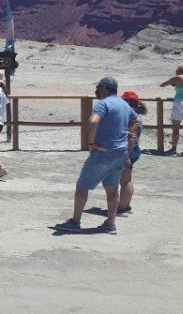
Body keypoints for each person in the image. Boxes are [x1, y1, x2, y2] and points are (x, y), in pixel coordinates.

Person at [56, 77, 137, 234]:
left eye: (99, 88)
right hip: (120, 152)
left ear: (105, 88)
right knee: (112, 189)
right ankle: (110, 223)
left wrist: (91, 144)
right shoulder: (123, 104)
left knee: (82, 186)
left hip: (103, 152)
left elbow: (93, 122)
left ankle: (75, 221)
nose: (97, 91)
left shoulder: (103, 104)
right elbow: (136, 120)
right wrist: (130, 136)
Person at [117, 91, 147, 215]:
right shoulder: (136, 116)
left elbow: (130, 138)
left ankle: (122, 207)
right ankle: (126, 205)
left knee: (123, 181)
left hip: (127, 151)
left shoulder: (130, 117)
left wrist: (125, 155)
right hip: (134, 150)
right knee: (127, 180)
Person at [160, 66, 183, 156]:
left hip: (180, 103)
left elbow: (163, 84)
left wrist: (174, 83)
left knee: (176, 127)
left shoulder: (178, 77)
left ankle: (173, 149)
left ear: (178, 72)